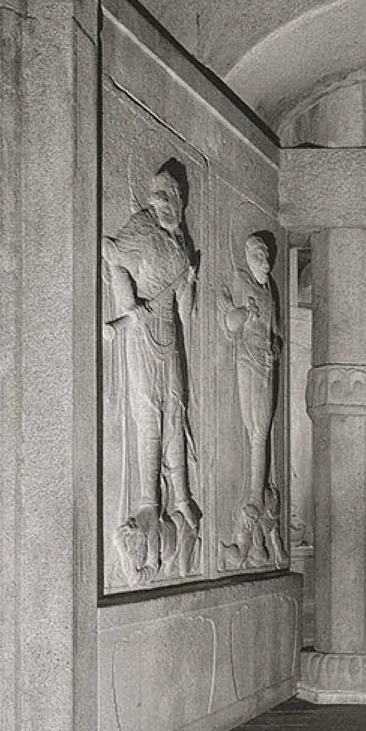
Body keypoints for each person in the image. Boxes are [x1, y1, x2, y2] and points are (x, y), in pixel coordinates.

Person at [102, 160, 201, 578]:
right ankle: (148, 501)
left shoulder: (180, 246)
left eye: (167, 200)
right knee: (148, 414)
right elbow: (110, 254)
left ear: (178, 203)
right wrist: (128, 303)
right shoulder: (141, 228)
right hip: (141, 333)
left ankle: (181, 497)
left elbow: (186, 312)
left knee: (175, 410)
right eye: (156, 200)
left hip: (169, 334)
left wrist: (190, 281)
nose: (161, 207)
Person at [219, 230, 283, 565]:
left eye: (267, 255)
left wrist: (275, 347)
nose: (266, 261)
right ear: (247, 258)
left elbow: (276, 334)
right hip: (248, 362)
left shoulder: (271, 290)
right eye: (259, 255)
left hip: (267, 364)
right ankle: (253, 503)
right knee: (255, 431)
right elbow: (230, 322)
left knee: (262, 430)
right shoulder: (242, 281)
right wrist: (245, 312)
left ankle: (255, 504)